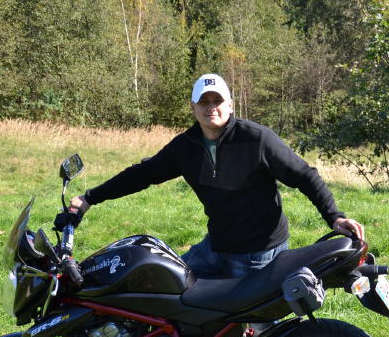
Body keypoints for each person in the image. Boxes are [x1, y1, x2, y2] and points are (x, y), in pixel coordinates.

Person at [69, 73, 364, 279]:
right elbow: (142, 174)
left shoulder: (256, 139)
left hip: (258, 253)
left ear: (230, 105)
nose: (211, 107)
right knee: (171, 290)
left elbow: (304, 175)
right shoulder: (186, 147)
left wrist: (334, 217)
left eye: (217, 101)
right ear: (193, 107)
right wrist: (89, 198)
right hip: (216, 246)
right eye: (204, 101)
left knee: (255, 332)